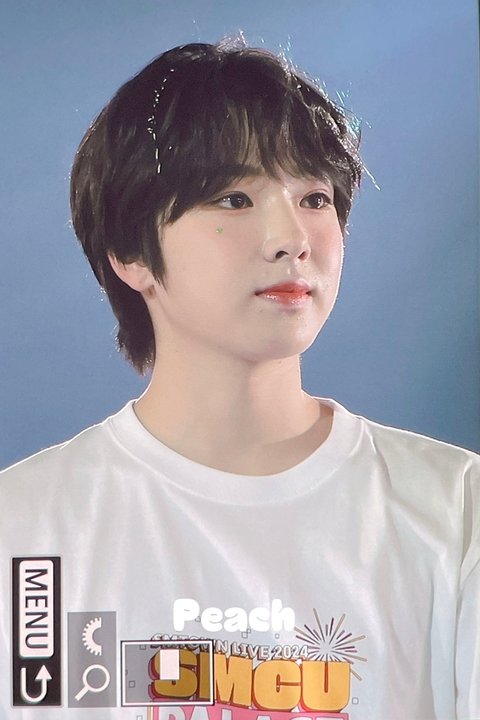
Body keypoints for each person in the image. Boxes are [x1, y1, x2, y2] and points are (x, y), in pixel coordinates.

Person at [0, 39, 478, 720]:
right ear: (131, 251)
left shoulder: (456, 512)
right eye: (233, 198)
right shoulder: (23, 530)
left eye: (314, 197)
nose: (292, 238)